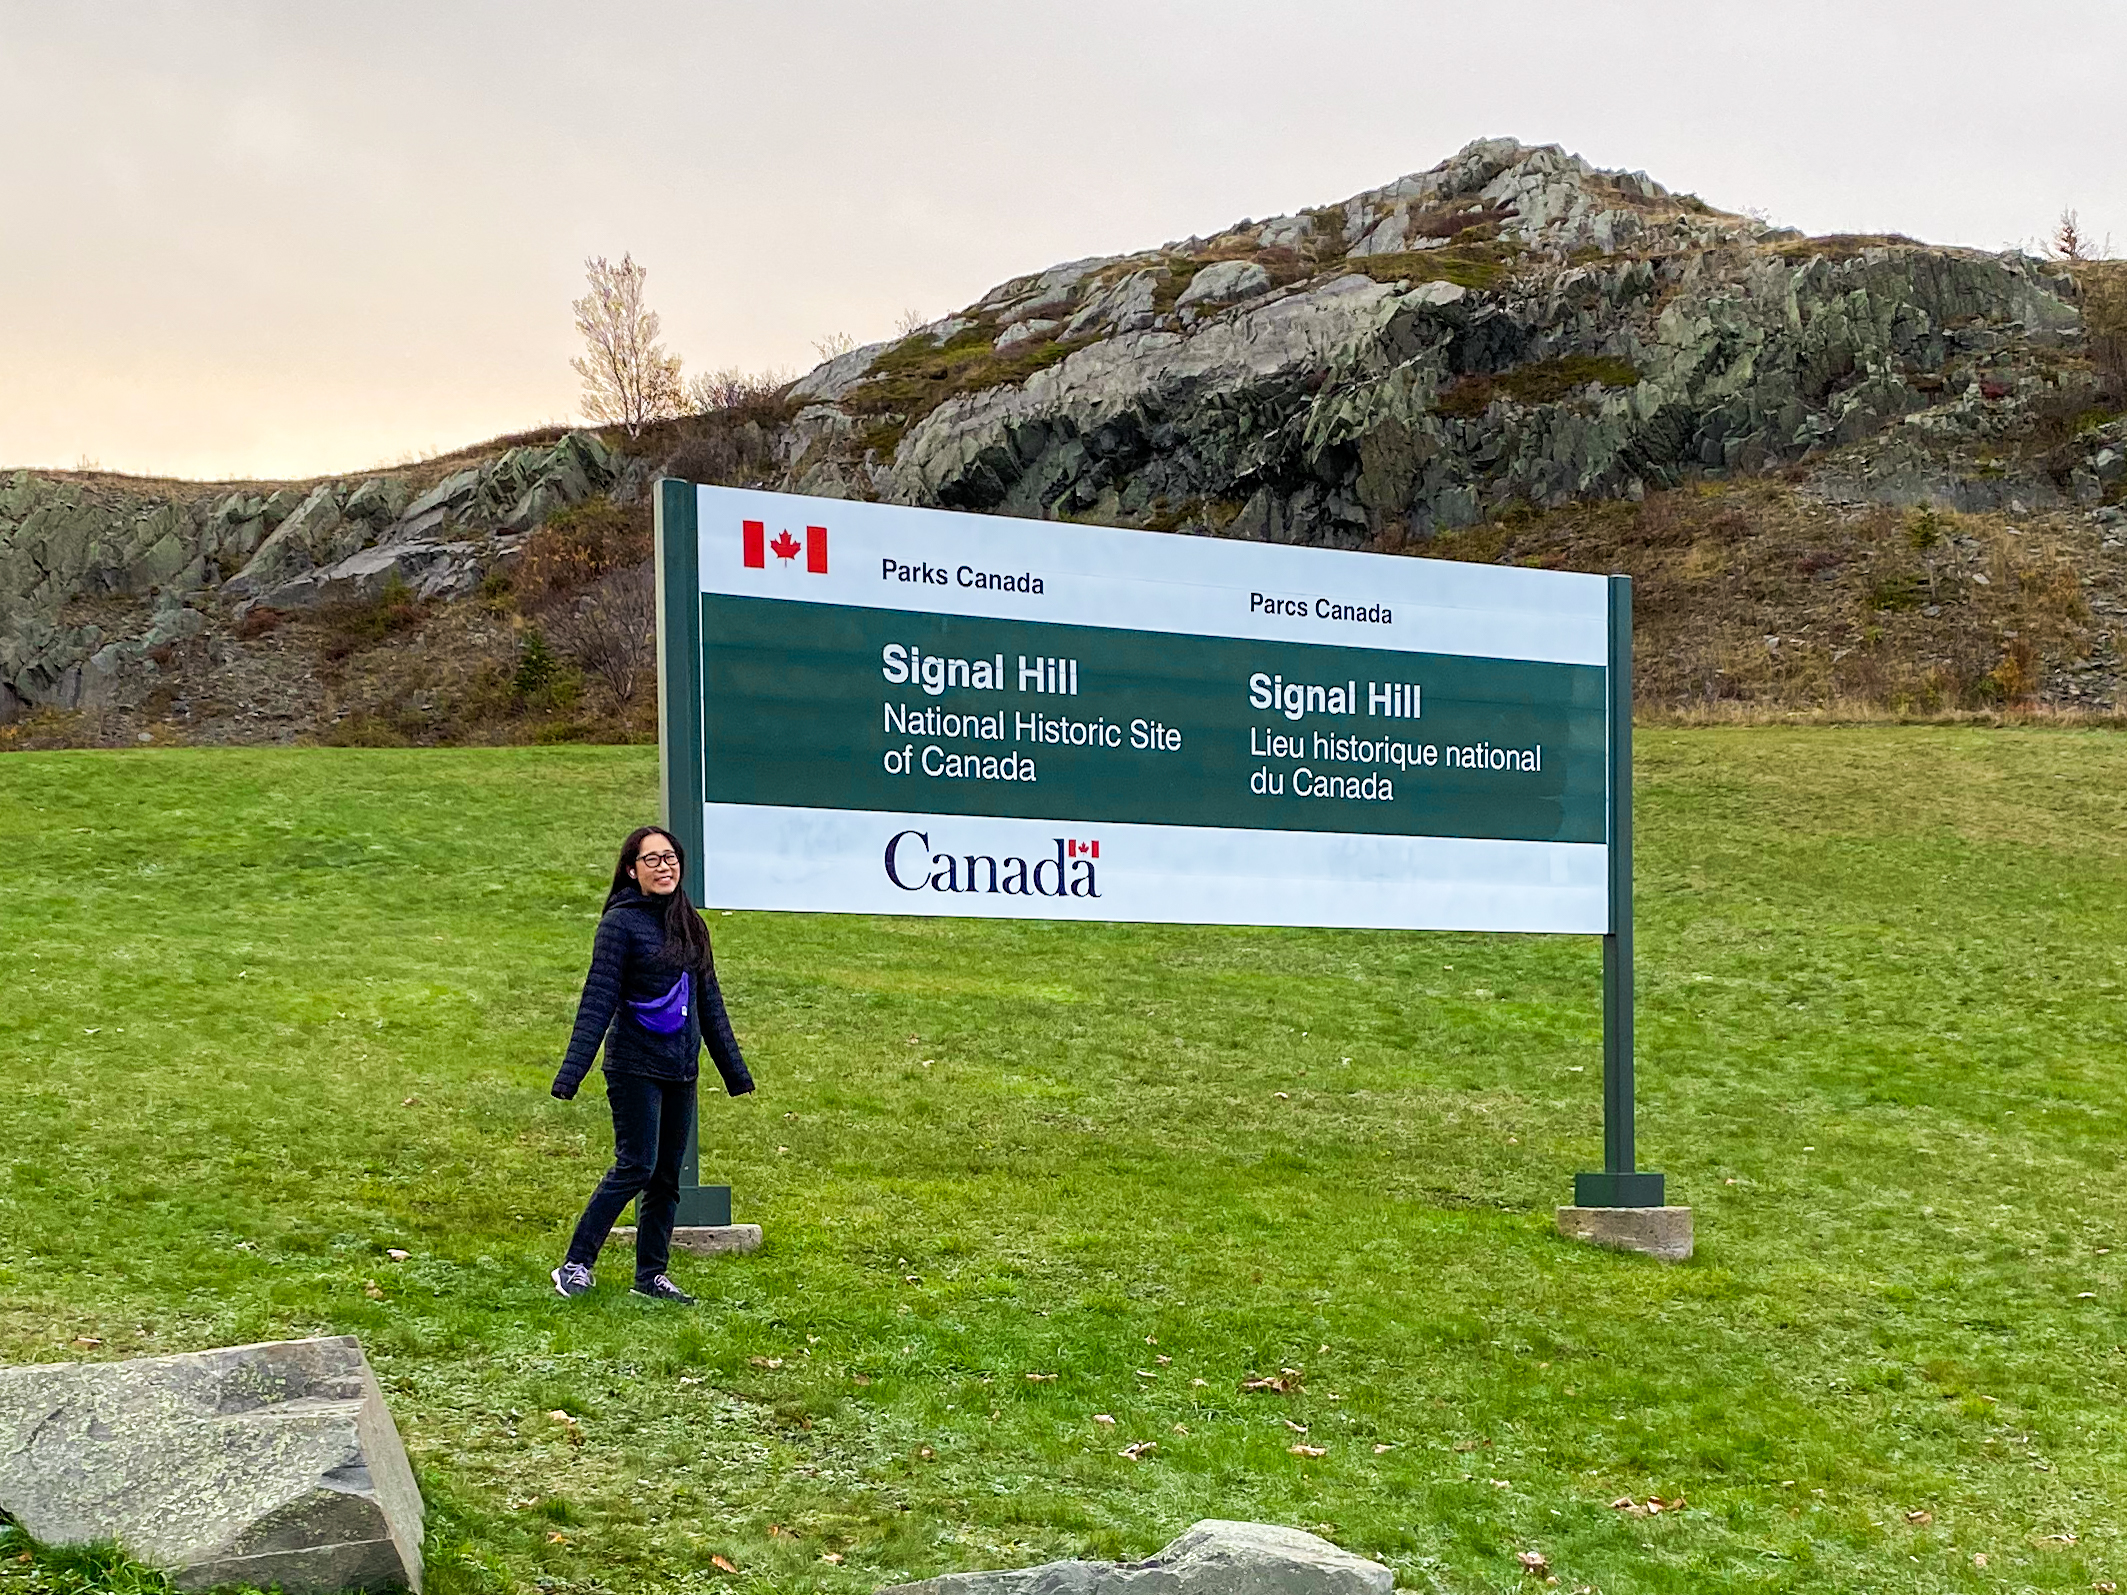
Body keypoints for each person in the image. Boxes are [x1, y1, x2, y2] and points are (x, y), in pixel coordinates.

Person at [549, 826, 752, 1303]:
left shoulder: (691, 924)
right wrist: (571, 1073)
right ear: (631, 870)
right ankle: (575, 1264)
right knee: (635, 1165)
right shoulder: (619, 925)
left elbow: (710, 1003)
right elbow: (598, 1000)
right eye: (652, 860)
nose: (664, 867)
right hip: (633, 1066)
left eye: (670, 858)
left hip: (680, 1068)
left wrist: (735, 1072)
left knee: (666, 1177)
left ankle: (651, 1277)